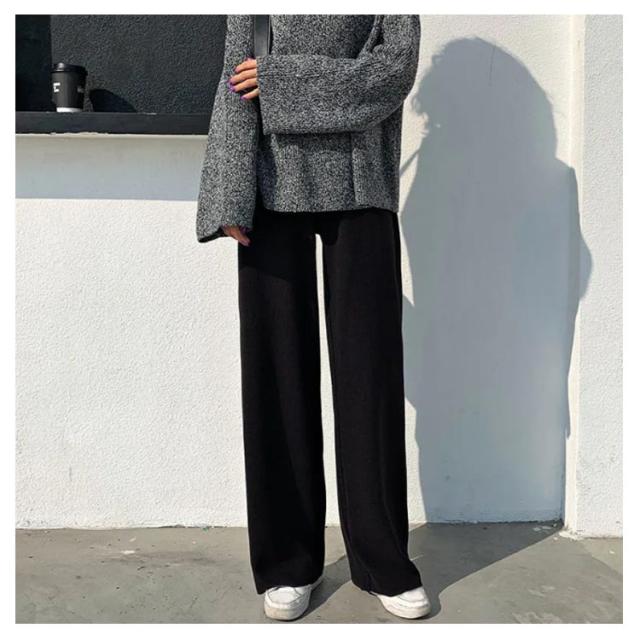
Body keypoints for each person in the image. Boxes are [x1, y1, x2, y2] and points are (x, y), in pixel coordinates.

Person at [196, 15, 429, 621]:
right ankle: (287, 562)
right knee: (276, 378)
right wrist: (229, 194)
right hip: (269, 185)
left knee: (370, 378)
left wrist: (279, 80)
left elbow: (391, 73)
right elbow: (235, 81)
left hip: (363, 184)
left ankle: (382, 560)